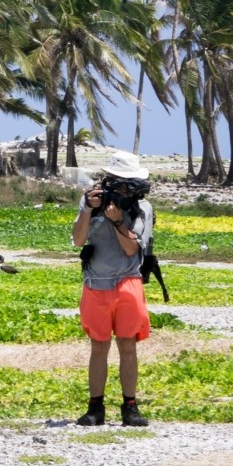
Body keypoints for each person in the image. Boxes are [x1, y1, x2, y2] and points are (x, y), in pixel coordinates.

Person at [71, 157, 154, 427]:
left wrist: (118, 222)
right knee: (98, 347)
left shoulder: (143, 208)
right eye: (122, 186)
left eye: (131, 188)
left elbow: (133, 249)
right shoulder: (92, 203)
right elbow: (78, 240)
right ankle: (95, 408)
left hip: (128, 283)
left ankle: (130, 407)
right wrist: (86, 209)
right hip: (96, 283)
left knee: (128, 346)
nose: (125, 193)